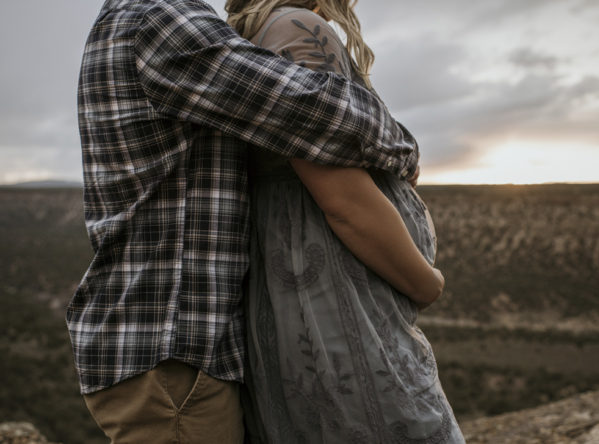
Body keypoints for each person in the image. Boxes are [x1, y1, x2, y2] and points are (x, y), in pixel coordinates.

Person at [66, 0, 421, 442]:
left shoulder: (143, 18)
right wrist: (402, 147)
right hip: (169, 355)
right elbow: (307, 107)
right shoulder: (158, 19)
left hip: (172, 352)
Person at [225, 0, 466, 442]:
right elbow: (343, 199)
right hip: (331, 302)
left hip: (299, 294)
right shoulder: (298, 27)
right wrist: (425, 282)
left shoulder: (251, 35)